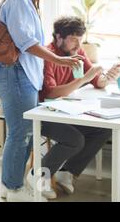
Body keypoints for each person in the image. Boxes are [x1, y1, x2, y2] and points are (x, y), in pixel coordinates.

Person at [0, 0, 82, 202]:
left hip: (18, 75)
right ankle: (14, 188)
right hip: (16, 74)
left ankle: (9, 186)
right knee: (21, 134)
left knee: (23, 133)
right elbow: (26, 42)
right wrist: (58, 60)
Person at [31, 16, 118, 196]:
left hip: (67, 112)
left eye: (80, 39)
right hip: (44, 113)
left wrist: (108, 77)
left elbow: (96, 81)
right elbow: (51, 93)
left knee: (101, 130)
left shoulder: (77, 52)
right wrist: (83, 79)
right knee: (74, 140)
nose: (78, 45)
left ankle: (67, 173)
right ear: (59, 37)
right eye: (73, 39)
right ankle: (38, 176)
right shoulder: (48, 55)